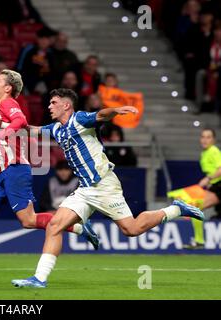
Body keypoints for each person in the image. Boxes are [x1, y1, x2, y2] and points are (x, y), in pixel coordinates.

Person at [11, 88, 205, 288]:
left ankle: (177, 209)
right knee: (54, 226)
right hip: (84, 189)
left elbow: (101, 115)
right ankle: (39, 279)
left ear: (66, 105)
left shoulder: (79, 119)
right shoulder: (56, 129)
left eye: (53, 102)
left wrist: (117, 109)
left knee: (131, 229)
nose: (49, 106)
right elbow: (32, 130)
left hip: (104, 185)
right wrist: (11, 123)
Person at [0, 71, 100, 283]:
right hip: (1, 174)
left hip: (15, 171)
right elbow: (18, 125)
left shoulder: (8, 103)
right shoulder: (2, 108)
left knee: (29, 221)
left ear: (7, 88)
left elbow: (21, 119)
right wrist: (0, 123)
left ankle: (77, 226)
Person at [184, 128, 221, 248]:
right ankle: (199, 240)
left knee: (195, 207)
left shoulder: (213, 151)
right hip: (216, 186)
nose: (205, 140)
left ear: (213, 140)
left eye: (208, 137)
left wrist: (208, 179)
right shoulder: (204, 153)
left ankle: (199, 240)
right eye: (203, 137)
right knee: (194, 207)